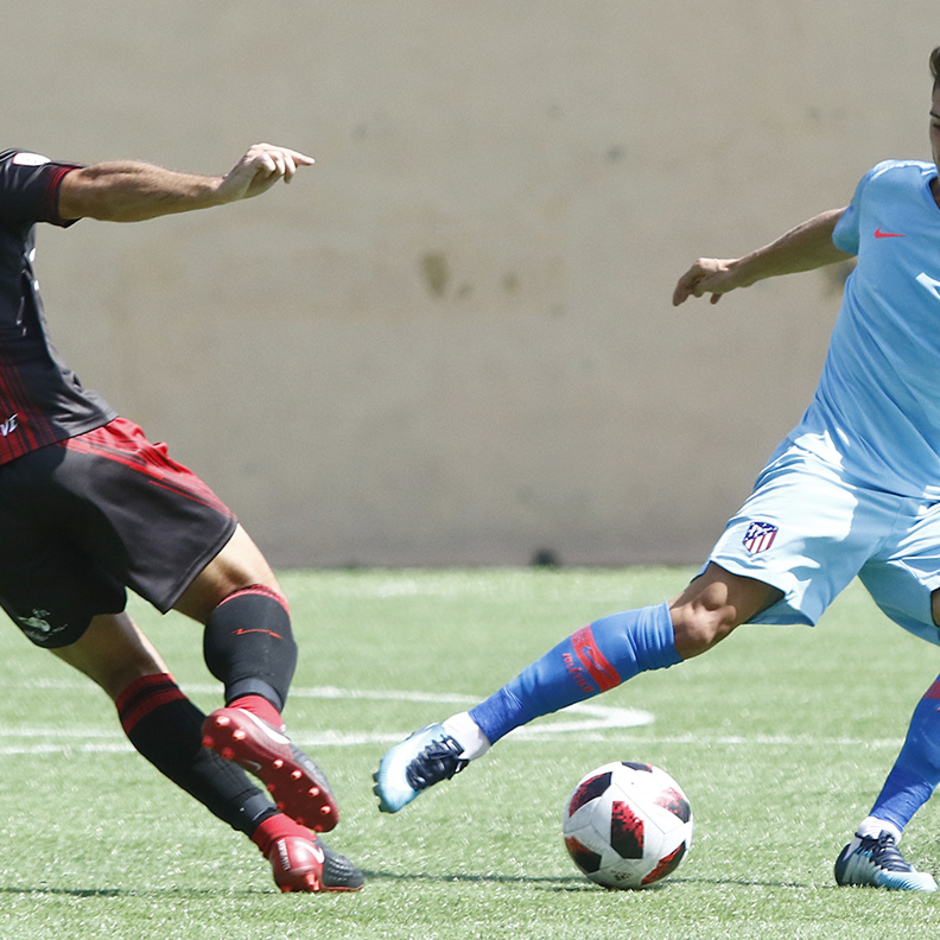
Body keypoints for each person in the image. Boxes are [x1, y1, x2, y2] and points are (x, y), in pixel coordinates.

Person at [374, 46, 940, 893]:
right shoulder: (893, 187)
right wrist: (743, 269)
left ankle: (874, 840)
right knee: (697, 621)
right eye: (938, 116)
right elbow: (844, 225)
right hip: (838, 467)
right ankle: (461, 734)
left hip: (928, 496)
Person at [0, 142, 362, 893]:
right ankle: (257, 711)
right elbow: (97, 188)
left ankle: (282, 839)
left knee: (126, 676)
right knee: (244, 589)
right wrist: (217, 191)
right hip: (64, 443)